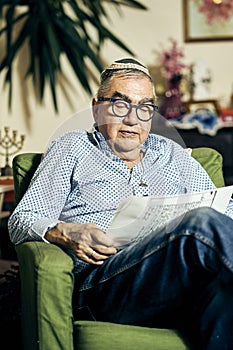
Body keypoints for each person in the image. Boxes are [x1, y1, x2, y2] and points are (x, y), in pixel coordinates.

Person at [8, 58, 233, 349]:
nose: (132, 119)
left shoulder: (172, 154)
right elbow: (21, 219)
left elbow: (225, 214)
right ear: (96, 107)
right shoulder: (72, 148)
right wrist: (65, 232)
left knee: (224, 292)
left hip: (174, 279)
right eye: (120, 105)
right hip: (104, 283)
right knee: (200, 223)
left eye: (144, 107)